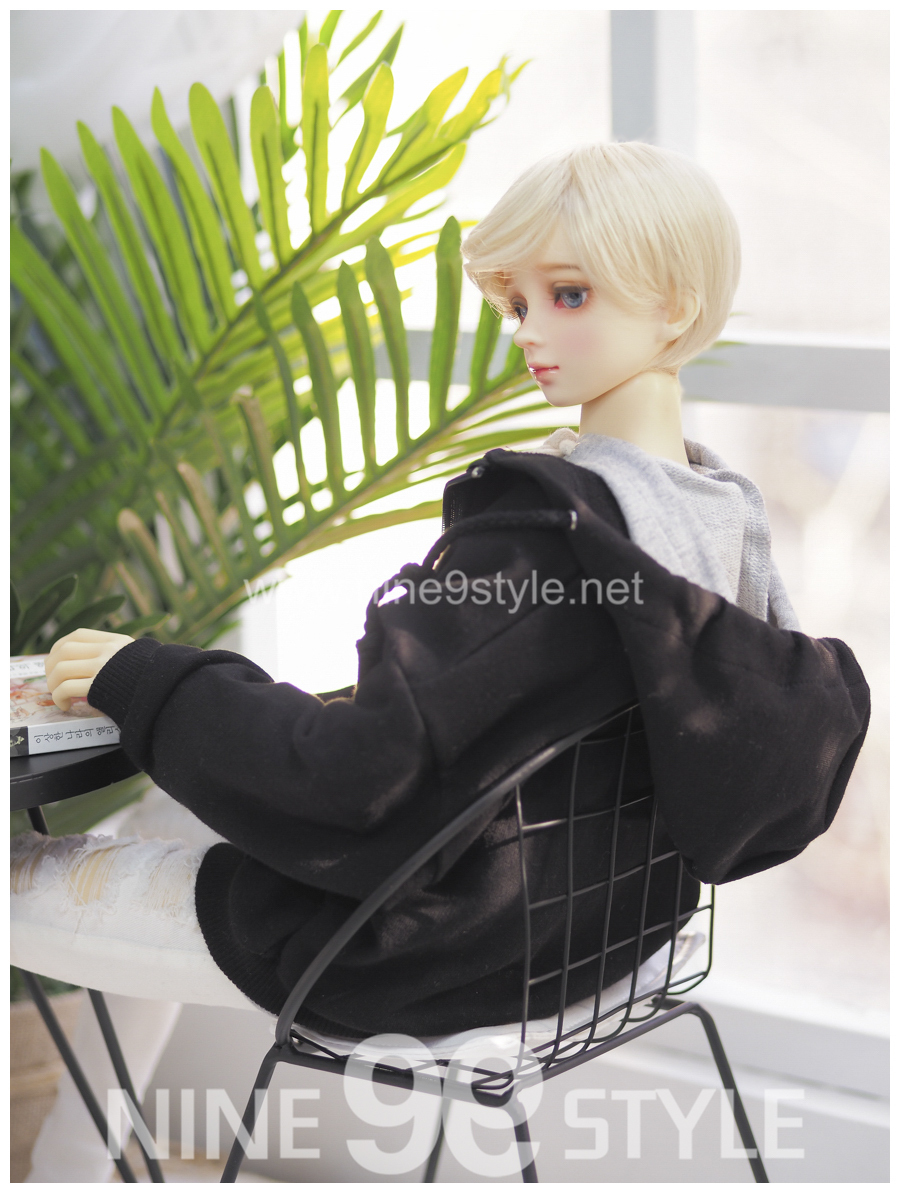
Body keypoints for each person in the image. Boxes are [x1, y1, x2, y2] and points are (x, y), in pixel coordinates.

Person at [12, 142, 869, 1048]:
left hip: (415, 948)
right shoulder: (717, 515)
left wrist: (150, 679)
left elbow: (355, 785)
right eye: (517, 303)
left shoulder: (544, 537)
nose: (527, 332)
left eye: (568, 295)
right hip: (599, 932)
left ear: (676, 309)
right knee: (166, 806)